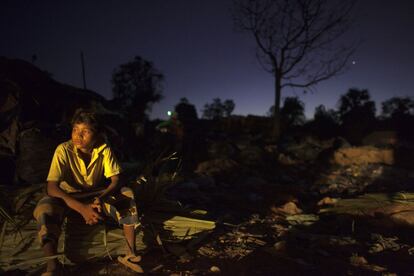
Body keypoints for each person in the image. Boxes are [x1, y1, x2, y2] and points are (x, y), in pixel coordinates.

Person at [33, 109, 143, 275]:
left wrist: (101, 197)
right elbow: (52, 187)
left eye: (85, 131)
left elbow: (115, 180)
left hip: (96, 193)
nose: (78, 136)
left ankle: (130, 252)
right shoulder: (63, 150)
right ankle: (52, 266)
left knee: (126, 194)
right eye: (75, 130)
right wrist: (82, 208)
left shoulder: (104, 149)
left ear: (97, 134)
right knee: (44, 209)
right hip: (68, 196)